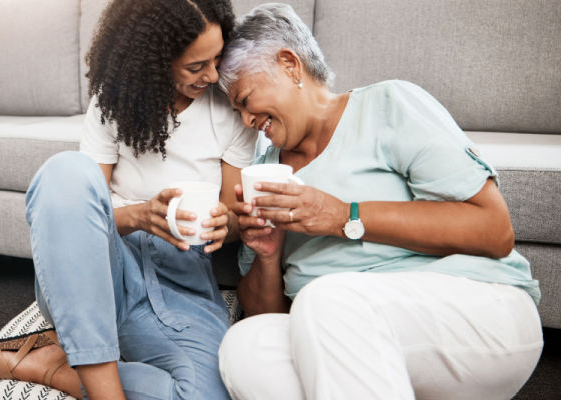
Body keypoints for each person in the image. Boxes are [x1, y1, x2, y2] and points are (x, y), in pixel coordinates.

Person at [216, 4, 543, 400]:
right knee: (244, 346)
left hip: (474, 305)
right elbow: (270, 315)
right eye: (236, 111)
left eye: (246, 99)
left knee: (327, 298)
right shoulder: (265, 173)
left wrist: (341, 215)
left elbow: (494, 231)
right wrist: (268, 255)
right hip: (343, 331)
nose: (247, 120)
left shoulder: (389, 106)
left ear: (289, 64)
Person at [0, 0, 256, 398]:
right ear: (155, 61)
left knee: (210, 394)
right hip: (96, 276)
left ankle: (58, 366)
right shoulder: (113, 102)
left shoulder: (229, 108)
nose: (213, 73)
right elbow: (80, 209)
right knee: (65, 170)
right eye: (195, 66)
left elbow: (235, 223)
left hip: (182, 289)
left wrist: (228, 224)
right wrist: (138, 217)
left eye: (218, 58)